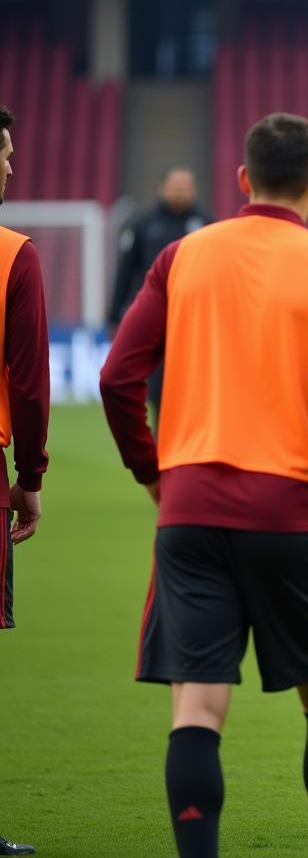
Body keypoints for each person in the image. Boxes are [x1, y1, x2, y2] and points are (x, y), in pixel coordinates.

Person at [100, 113, 308, 858]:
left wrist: (151, 470)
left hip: (188, 511)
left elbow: (117, 376)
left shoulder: (181, 257)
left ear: (240, 180)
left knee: (196, 705)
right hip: (291, 511)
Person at [0, 106, 51, 858]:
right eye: (3, 153)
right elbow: (30, 383)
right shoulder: (12, 255)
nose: (11, 167)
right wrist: (30, 476)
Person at [107, 166, 212, 416]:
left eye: (186, 187)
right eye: (176, 187)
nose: (181, 192)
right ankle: (161, 438)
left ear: (194, 190)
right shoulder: (142, 224)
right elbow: (125, 271)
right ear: (162, 188)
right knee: (157, 386)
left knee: (194, 386)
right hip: (153, 318)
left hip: (193, 318)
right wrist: (114, 314)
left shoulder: (207, 224)